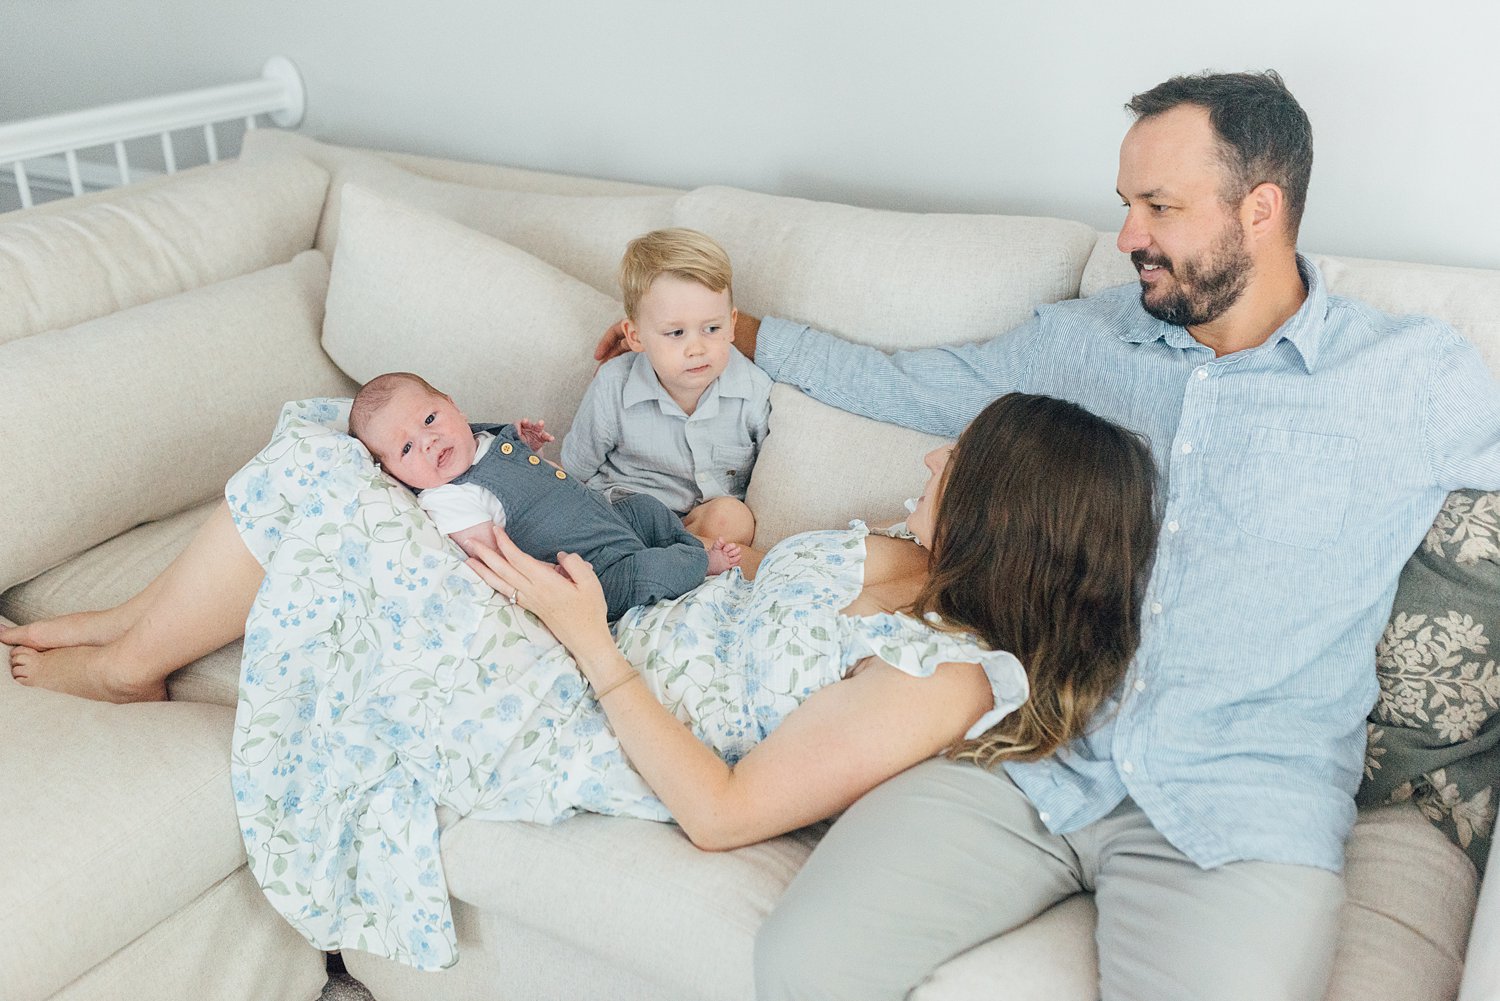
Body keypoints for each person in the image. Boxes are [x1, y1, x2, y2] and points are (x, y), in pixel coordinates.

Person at [601, 70, 1500, 1001]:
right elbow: (912, 384)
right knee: (804, 962)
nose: (1128, 239)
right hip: (1031, 748)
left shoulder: (1411, 378)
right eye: (1126, 204)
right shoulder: (1085, 341)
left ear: (1261, 208)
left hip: (1239, 810)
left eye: (1159, 206)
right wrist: (732, 331)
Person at [4, 392, 1159, 973]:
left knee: (327, 480)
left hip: (569, 704)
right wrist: (726, 533)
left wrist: (583, 638)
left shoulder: (942, 679)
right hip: (620, 614)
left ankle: (117, 658)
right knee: (331, 439)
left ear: (1009, 512)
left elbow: (721, 810)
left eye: (953, 460)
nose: (926, 458)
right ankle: (118, 638)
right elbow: (759, 609)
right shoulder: (914, 555)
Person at [348, 371, 740, 620]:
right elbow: (494, 554)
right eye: (406, 449)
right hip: (591, 572)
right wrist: (546, 580)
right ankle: (698, 564)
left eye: (430, 419)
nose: (429, 441)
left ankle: (688, 548)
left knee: (645, 508)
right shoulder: (447, 498)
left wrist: (525, 447)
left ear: (454, 406)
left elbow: (527, 484)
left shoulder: (486, 439)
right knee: (646, 571)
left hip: (610, 520)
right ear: (393, 475)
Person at [561, 227, 772, 547]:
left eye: (711, 328)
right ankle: (647, 562)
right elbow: (575, 471)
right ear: (635, 336)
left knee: (734, 519)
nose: (696, 348)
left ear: (731, 324)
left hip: (696, 524)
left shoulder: (753, 391)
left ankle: (673, 562)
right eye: (676, 333)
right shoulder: (613, 385)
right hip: (625, 512)